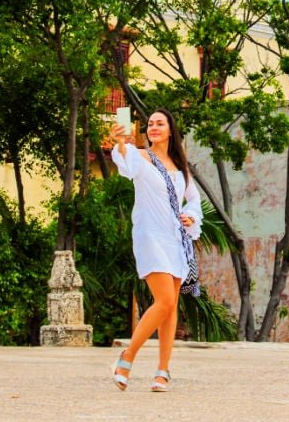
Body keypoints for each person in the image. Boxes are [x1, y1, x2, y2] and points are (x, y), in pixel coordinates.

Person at [109, 107, 202, 393]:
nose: (154, 127)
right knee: (163, 300)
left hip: (175, 239)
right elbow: (126, 164)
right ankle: (126, 358)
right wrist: (121, 143)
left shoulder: (180, 167)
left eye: (160, 123)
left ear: (171, 130)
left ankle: (162, 371)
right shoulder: (140, 156)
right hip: (150, 236)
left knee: (171, 305)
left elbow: (193, 201)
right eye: (150, 124)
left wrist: (191, 217)